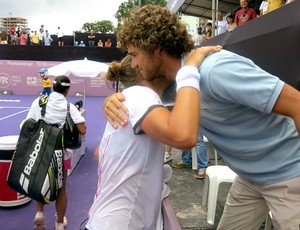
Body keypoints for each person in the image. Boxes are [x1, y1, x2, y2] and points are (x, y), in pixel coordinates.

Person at [103, 5, 300, 229]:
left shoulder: (216, 70)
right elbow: (148, 111)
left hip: (290, 174)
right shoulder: (172, 86)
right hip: (249, 178)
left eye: (134, 54)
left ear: (156, 48)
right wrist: (113, 101)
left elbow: (297, 104)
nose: (134, 63)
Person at [86, 45, 222, 229]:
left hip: (109, 219)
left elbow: (98, 154)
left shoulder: (129, 100)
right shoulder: (139, 95)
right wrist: (188, 70)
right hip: (122, 222)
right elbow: (184, 137)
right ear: (140, 68)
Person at [25, 75, 86, 230]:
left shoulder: (38, 102)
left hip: (40, 151)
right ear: (67, 89)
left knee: (39, 182)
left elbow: (28, 124)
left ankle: (39, 213)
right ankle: (59, 222)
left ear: (53, 86)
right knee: (61, 189)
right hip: (61, 155)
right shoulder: (69, 107)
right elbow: (82, 129)